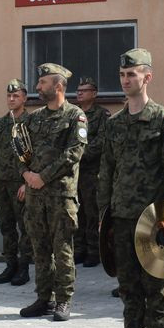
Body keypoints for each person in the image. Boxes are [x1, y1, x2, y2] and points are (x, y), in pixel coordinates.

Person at [98, 48, 164, 328]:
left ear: (147, 77)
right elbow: (106, 169)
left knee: (156, 284)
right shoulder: (115, 123)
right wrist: (103, 216)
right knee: (128, 284)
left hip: (154, 218)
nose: (125, 80)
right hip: (121, 215)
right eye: (122, 75)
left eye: (131, 74)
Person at [18, 64, 87, 321]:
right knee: (40, 248)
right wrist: (26, 175)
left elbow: (73, 154)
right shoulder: (34, 118)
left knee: (62, 249)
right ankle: (43, 298)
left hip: (60, 194)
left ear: (58, 86)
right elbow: (19, 148)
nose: (37, 87)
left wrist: (42, 177)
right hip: (36, 195)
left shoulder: (75, 116)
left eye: (43, 82)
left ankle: (64, 300)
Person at [0, 79, 33, 285]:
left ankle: (24, 268)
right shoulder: (0, 124)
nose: (11, 99)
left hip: (20, 183)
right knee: (6, 226)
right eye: (9, 96)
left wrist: (27, 183)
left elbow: (36, 155)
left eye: (16, 96)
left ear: (24, 98)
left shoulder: (32, 123)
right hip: (2, 183)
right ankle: (10, 265)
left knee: (25, 228)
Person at [74, 76, 110, 269]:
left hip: (92, 172)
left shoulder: (102, 115)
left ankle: (94, 251)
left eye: (84, 90)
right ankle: (79, 249)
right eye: (78, 90)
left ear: (94, 94)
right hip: (74, 171)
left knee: (91, 211)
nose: (79, 93)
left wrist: (79, 153)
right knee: (77, 211)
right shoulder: (73, 114)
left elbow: (102, 142)